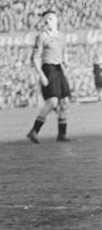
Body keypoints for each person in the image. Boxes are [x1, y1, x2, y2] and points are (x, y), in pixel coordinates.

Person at [27, 10, 71, 143]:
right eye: (46, 20)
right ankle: (34, 131)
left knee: (65, 102)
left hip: (59, 69)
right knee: (52, 102)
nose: (48, 21)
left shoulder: (61, 36)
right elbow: (35, 58)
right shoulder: (42, 37)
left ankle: (62, 135)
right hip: (48, 69)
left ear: (56, 19)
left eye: (50, 19)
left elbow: (64, 51)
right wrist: (41, 75)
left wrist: (66, 60)